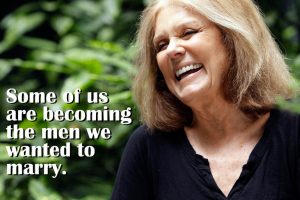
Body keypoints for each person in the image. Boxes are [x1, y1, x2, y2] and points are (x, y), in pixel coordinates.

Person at [111, 0, 299, 199]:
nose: (172, 50)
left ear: (232, 38)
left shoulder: (293, 130)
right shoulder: (148, 146)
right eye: (162, 45)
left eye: (188, 32)